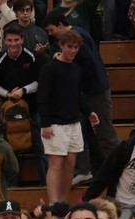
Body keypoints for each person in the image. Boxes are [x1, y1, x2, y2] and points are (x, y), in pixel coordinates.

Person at [43, 11, 118, 184]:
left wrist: (73, 83)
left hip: (95, 92)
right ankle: (84, 170)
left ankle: (119, 168)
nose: (50, 33)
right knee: (80, 131)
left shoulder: (78, 39)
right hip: (87, 92)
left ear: (60, 25)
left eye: (51, 29)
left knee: (104, 131)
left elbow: (89, 65)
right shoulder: (78, 34)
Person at [37, 29, 100, 203]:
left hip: (74, 122)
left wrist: (89, 112)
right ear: (61, 46)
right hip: (55, 124)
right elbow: (42, 97)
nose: (73, 50)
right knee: (56, 163)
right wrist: (45, 123)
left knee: (70, 164)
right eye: (70, 47)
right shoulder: (49, 69)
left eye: (76, 47)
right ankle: (53, 202)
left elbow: (78, 95)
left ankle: (62, 202)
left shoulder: (76, 69)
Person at [0, 22, 47, 184]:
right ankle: (12, 188)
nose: (13, 44)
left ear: (22, 39)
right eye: (9, 40)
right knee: (8, 151)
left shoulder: (34, 57)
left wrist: (23, 90)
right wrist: (8, 94)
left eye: (16, 40)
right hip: (9, 113)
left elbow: (40, 81)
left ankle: (45, 184)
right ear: (5, 41)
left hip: (34, 110)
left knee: (41, 149)